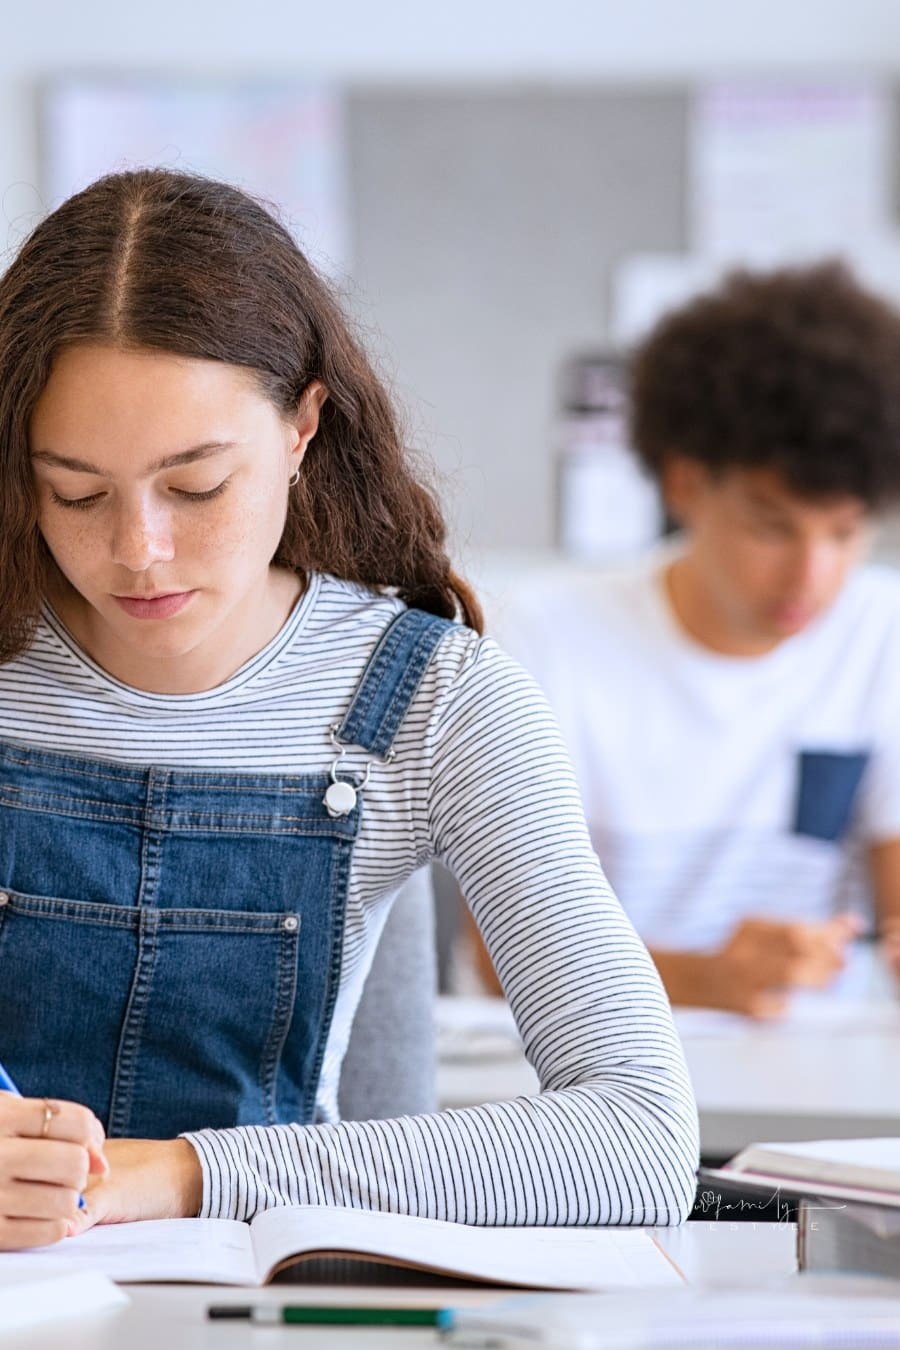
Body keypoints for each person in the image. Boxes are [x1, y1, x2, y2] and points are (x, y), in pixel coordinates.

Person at [0, 169, 698, 1250]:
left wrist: (180, 1175)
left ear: (302, 427)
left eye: (195, 487)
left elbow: (639, 1137)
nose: (138, 549)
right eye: (76, 492)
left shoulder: (442, 703)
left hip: (261, 1297)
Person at [495, 263, 900, 1020]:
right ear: (685, 485)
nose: (811, 575)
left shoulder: (885, 635)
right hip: (599, 1078)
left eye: (845, 533)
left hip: (823, 1082)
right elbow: (497, 960)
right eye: (771, 525)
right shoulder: (547, 637)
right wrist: (705, 978)